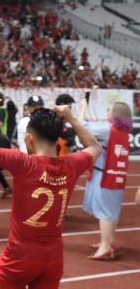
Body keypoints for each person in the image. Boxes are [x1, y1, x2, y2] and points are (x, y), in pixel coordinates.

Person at [0, 99, 101, 289]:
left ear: (30, 139)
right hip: (53, 258)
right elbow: (95, 147)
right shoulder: (72, 164)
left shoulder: (23, 162)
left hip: (20, 256)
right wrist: (72, 118)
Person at [82, 101, 133, 260]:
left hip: (103, 176)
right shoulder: (123, 131)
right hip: (115, 175)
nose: (107, 111)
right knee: (112, 210)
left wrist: (84, 106)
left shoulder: (107, 130)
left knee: (105, 212)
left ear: (116, 113)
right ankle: (107, 241)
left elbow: (83, 126)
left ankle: (105, 245)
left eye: (109, 109)